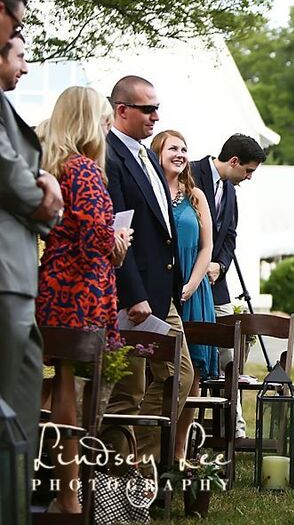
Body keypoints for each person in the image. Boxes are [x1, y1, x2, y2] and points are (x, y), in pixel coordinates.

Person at [36, 86, 132, 514]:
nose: (109, 127)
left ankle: (56, 488)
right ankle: (69, 497)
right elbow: (96, 238)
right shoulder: (85, 170)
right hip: (80, 293)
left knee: (58, 385)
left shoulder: (49, 165)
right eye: (105, 119)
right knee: (72, 392)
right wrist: (119, 241)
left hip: (52, 286)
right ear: (90, 122)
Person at [103, 75, 194, 466]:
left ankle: (140, 465)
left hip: (163, 293)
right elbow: (118, 232)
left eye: (158, 107)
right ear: (122, 110)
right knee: (128, 389)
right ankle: (113, 478)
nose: (156, 116)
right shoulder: (110, 156)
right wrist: (133, 294)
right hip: (134, 297)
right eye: (148, 109)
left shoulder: (144, 156)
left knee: (182, 375)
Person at [0, 0, 63, 517]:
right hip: (5, 274)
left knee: (18, 406)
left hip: (19, 272)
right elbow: (14, 182)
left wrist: (43, 194)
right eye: (19, 46)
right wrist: (45, 195)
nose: (25, 64)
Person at [190, 133, 265, 440]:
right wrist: (199, 264)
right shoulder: (190, 173)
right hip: (186, 281)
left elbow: (230, 235)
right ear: (234, 162)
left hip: (216, 285)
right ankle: (190, 424)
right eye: (248, 171)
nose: (248, 178)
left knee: (229, 351)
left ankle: (233, 427)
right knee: (191, 355)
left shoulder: (231, 192)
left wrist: (219, 265)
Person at [152, 130, 216, 460]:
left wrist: (192, 284)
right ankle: (153, 444)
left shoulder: (196, 196)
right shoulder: (150, 191)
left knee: (194, 376)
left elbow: (207, 246)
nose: (180, 153)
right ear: (157, 152)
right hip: (161, 288)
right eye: (173, 148)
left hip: (193, 287)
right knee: (164, 369)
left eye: (184, 149)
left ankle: (177, 452)